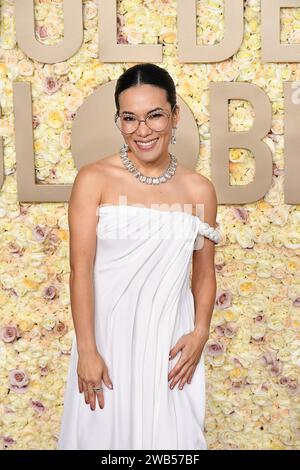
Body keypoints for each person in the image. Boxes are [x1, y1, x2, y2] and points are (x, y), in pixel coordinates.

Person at [57, 63, 221, 450]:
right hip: (107, 344)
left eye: (155, 116)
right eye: (129, 118)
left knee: (175, 446)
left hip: (171, 346)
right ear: (118, 120)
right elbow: (80, 270)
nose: (142, 130)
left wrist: (200, 331)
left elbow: (203, 273)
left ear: (175, 115)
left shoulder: (199, 190)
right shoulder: (93, 179)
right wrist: (87, 350)